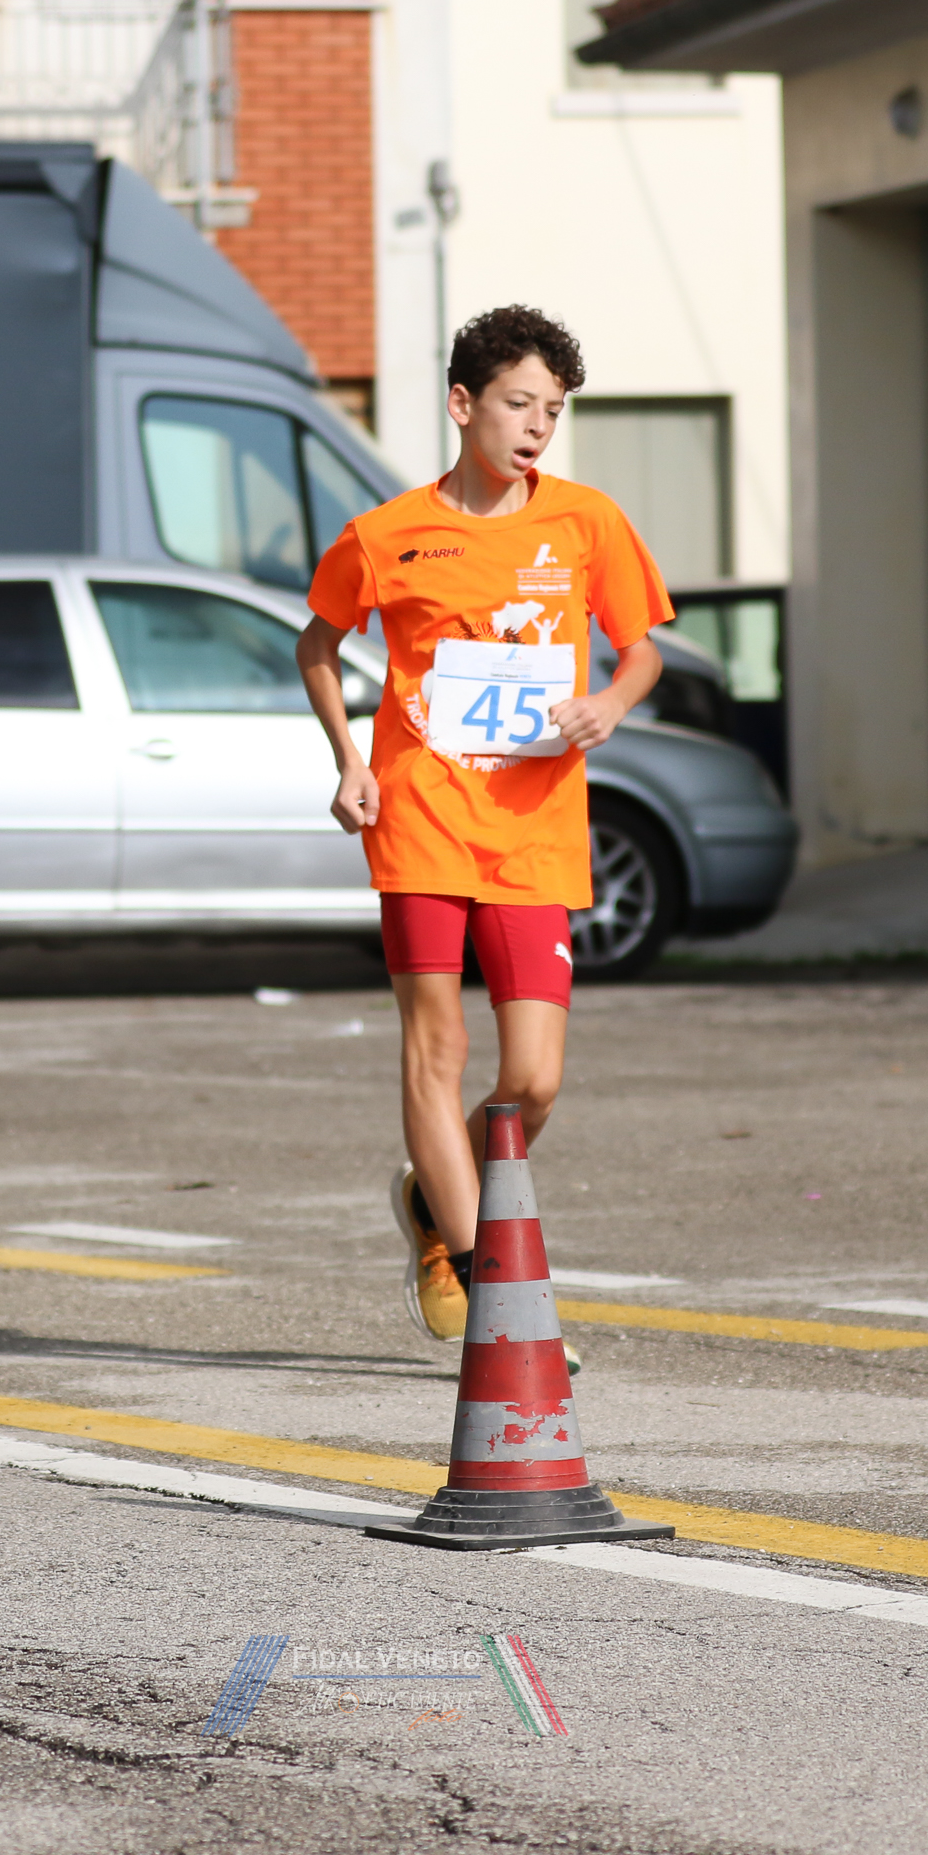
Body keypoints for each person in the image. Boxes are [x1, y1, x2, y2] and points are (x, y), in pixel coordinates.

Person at [295, 307, 671, 1340]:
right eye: (519, 404)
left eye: (553, 410)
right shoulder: (386, 535)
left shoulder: (587, 523)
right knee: (438, 1044)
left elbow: (642, 648)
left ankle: (431, 1195)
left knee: (534, 1080)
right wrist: (350, 760)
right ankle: (477, 1269)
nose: (538, 426)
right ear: (463, 404)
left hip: (535, 828)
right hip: (419, 815)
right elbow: (317, 643)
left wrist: (612, 703)